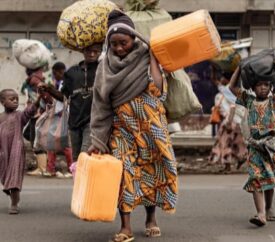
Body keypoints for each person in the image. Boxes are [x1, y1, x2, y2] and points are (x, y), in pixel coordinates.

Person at [88, 11, 178, 242]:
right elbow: (100, 106)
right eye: (114, 44)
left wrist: (155, 59)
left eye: (123, 43)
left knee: (152, 171)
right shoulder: (104, 67)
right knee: (124, 173)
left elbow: (159, 89)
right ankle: (125, 226)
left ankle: (151, 218)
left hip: (152, 127)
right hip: (122, 129)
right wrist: (97, 141)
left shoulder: (146, 56)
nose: (119, 48)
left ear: (134, 39)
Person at [229, 59, 275, 227]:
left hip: (271, 148)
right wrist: (238, 68)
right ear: (253, 87)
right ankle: (261, 214)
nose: (263, 88)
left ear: (271, 87)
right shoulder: (249, 100)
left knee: (270, 180)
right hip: (255, 148)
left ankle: (269, 206)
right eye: (259, 85)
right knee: (256, 178)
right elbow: (232, 88)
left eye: (266, 85)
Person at [39, 44, 102, 163]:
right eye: (89, 51)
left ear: (100, 52)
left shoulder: (103, 69)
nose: (92, 54)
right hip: (74, 122)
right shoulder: (72, 72)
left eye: (96, 51)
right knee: (76, 159)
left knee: (85, 156)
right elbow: (64, 96)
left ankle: (86, 181)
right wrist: (49, 89)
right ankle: (77, 181)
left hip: (93, 121)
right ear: (83, 50)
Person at [0, 89, 40, 214]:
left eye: (17, 99)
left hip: (16, 149)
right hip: (3, 151)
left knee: (14, 178)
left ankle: (14, 204)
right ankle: (8, 187)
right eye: (11, 99)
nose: (15, 101)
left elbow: (29, 112)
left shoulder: (19, 116)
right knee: (5, 175)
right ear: (2, 102)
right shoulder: (0, 117)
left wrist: (38, 100)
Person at [210, 72, 247, 173]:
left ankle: (228, 167)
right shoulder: (239, 92)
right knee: (238, 144)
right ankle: (241, 157)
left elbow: (223, 109)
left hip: (229, 122)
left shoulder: (223, 93)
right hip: (239, 123)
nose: (221, 81)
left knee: (225, 144)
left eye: (223, 79)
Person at [46, 62, 73, 178]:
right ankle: (50, 168)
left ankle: (71, 168)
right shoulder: (61, 82)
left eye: (54, 73)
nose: (54, 76)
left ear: (59, 72)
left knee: (64, 143)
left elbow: (64, 98)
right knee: (53, 142)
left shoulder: (66, 82)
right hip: (59, 115)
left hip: (63, 115)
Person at [23, 66, 51, 177]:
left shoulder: (35, 79)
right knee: (28, 135)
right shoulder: (34, 78)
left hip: (38, 114)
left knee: (37, 140)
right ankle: (42, 163)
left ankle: (42, 168)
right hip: (34, 114)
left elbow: (41, 96)